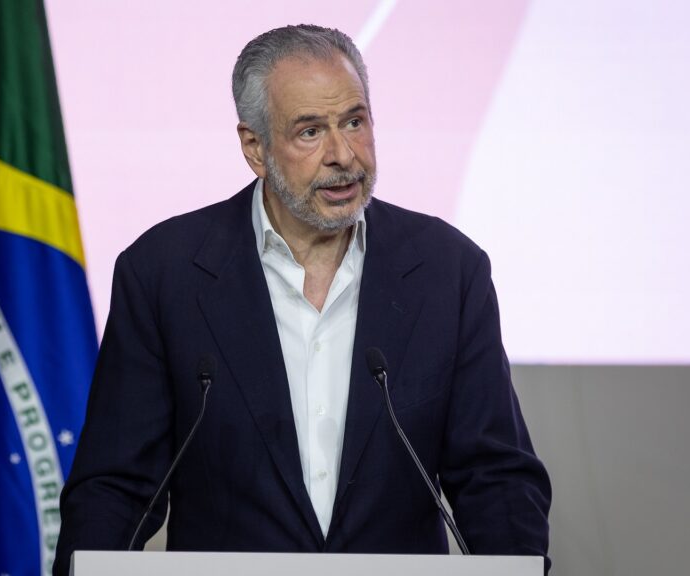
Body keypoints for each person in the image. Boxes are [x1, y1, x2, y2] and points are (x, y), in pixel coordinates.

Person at [54, 24, 551, 575]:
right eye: (310, 132)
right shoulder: (164, 274)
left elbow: (495, 476)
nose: (343, 155)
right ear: (255, 148)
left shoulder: (448, 270)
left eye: (355, 122)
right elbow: (117, 487)